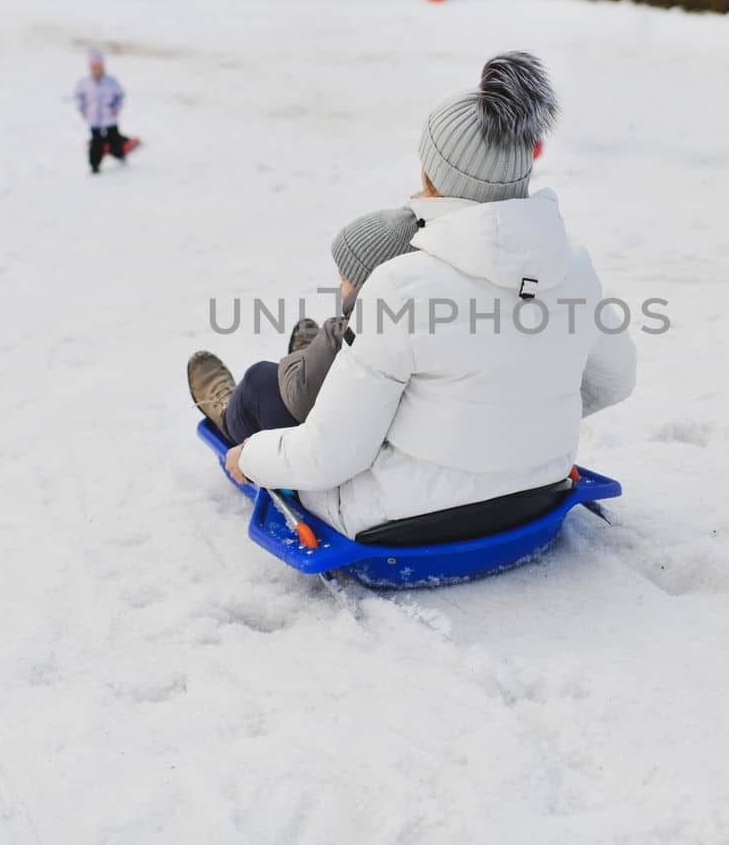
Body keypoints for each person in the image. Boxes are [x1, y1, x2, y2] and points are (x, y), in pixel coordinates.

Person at [216, 52, 637, 538]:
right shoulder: (574, 266)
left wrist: (251, 456)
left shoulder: (401, 286)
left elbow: (331, 454)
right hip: (536, 498)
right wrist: (524, 420)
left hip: (409, 522)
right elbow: (616, 380)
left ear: (430, 177)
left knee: (272, 390)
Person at [188, 207, 420, 444]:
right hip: (378, 430)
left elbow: (300, 396)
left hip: (327, 445)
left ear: (366, 281)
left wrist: (299, 362)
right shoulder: (421, 314)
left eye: (343, 278)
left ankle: (229, 415)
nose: (340, 287)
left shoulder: (347, 336)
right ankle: (310, 360)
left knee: (258, 381)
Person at [74, 49, 139, 174]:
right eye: (93, 67)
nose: (96, 69)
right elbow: (79, 98)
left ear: (103, 66)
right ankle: (94, 165)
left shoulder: (111, 81)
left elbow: (120, 95)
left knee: (114, 140)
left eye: (98, 66)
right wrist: (83, 110)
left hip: (110, 119)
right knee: (96, 143)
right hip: (94, 120)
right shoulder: (85, 83)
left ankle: (120, 154)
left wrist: (115, 108)